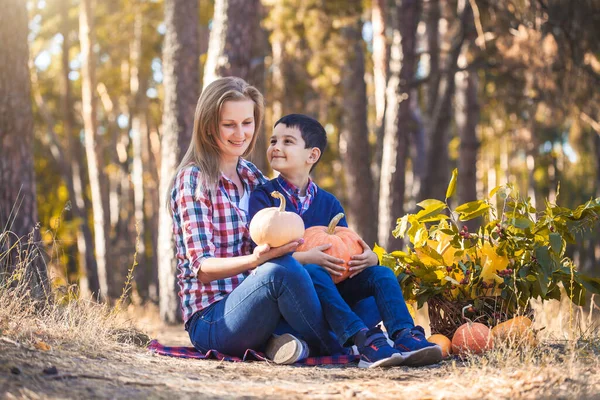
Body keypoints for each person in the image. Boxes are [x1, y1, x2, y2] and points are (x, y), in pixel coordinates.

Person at [169, 78, 345, 365]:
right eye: (229, 124)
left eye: (247, 123)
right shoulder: (194, 179)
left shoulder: (253, 176)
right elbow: (202, 268)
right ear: (208, 125)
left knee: (346, 278)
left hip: (263, 306)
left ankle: (311, 338)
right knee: (280, 270)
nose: (240, 134)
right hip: (213, 320)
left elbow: (291, 220)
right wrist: (255, 260)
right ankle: (341, 346)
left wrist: (345, 246)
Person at [248, 114, 443, 368]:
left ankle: (404, 335)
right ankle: (362, 340)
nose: (276, 146)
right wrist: (307, 259)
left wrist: (368, 259)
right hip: (295, 298)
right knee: (314, 271)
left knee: (381, 274)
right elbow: (260, 256)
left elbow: (344, 248)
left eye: (287, 141)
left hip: (335, 292)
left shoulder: (329, 203)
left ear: (312, 155)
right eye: (273, 140)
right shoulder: (263, 197)